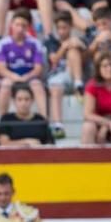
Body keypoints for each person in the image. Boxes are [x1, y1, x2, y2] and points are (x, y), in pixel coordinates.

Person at [0, 8, 47, 118]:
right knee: (5, 85)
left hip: (30, 76)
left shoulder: (35, 44)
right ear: (11, 25)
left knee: (37, 85)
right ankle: (2, 121)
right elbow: (2, 69)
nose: (20, 29)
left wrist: (26, 77)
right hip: (11, 76)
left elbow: (38, 69)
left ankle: (44, 120)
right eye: (17, 25)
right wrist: (15, 77)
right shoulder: (3, 44)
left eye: (23, 26)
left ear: (28, 27)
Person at [44, 10, 86, 139]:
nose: (61, 31)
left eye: (64, 28)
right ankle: (58, 125)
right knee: (55, 89)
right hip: (58, 77)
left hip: (74, 74)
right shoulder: (51, 42)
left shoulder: (79, 40)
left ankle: (78, 85)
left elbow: (87, 57)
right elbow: (54, 59)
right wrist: (65, 46)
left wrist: (81, 46)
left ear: (71, 27)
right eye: (59, 28)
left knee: (73, 51)